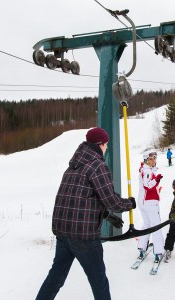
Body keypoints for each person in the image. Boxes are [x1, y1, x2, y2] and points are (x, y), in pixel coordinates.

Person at [36, 127, 136, 300]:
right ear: (101, 144)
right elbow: (111, 200)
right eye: (106, 145)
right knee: (98, 280)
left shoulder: (73, 166)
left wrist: (105, 215)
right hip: (83, 236)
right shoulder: (97, 165)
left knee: (56, 277)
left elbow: (80, 199)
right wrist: (130, 204)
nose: (106, 148)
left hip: (63, 232)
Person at [137, 151, 165, 262]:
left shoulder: (145, 169)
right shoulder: (147, 171)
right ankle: (159, 252)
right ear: (146, 160)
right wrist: (156, 180)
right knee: (156, 226)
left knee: (147, 224)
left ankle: (142, 248)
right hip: (150, 203)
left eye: (155, 158)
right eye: (151, 158)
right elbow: (147, 185)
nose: (154, 160)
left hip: (144, 202)